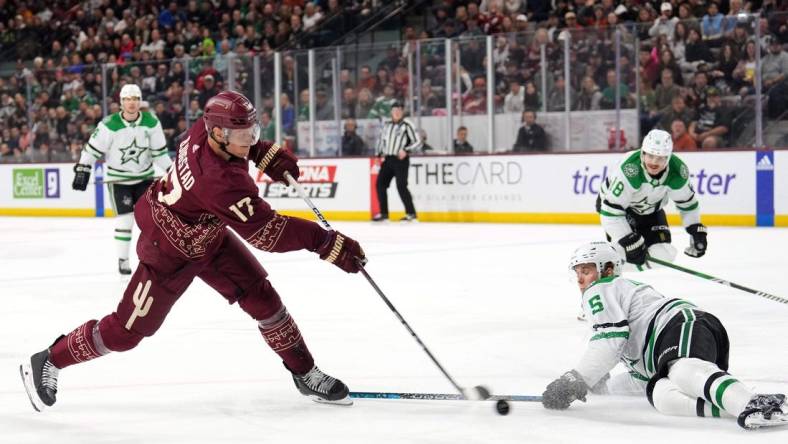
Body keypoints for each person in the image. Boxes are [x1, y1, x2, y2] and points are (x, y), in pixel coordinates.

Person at [20, 91, 366, 411]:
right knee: (126, 332)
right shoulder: (221, 183)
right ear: (219, 134)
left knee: (263, 298)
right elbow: (267, 234)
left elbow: (241, 144)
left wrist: (262, 152)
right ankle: (50, 358)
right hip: (168, 249)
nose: (251, 135)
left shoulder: (207, 127)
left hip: (206, 233)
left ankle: (305, 373)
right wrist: (327, 243)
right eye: (244, 132)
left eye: (252, 128)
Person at [542, 241, 788, 430]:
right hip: (668, 348)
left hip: (682, 325)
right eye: (577, 273)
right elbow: (639, 377)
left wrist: (575, 380)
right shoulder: (609, 297)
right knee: (661, 395)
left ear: (607, 270)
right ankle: (747, 408)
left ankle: (749, 403)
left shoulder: (604, 287)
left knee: (681, 370)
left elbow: (608, 343)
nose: (580, 280)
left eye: (586, 271)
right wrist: (601, 387)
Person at [71, 83, 173, 275]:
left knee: (152, 221)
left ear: (140, 101)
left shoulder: (151, 122)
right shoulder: (109, 124)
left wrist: (171, 170)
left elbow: (159, 153)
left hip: (145, 178)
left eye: (135, 99)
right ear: (121, 102)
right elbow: (92, 148)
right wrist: (83, 168)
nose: (131, 103)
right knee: (125, 221)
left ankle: (155, 259)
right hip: (119, 182)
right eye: (127, 99)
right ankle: (123, 260)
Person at [596, 129, 706, 267]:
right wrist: (627, 239)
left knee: (663, 256)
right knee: (625, 253)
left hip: (651, 210)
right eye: (650, 155)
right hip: (619, 209)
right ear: (643, 153)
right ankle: (611, 272)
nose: (654, 162)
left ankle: (636, 274)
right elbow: (610, 212)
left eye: (660, 158)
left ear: (668, 158)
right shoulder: (629, 170)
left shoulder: (677, 172)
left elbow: (687, 204)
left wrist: (694, 228)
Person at [373, 102, 421, 222]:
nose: (397, 112)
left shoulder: (407, 124)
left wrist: (406, 150)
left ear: (402, 111)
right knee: (380, 184)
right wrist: (377, 155)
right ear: (391, 112)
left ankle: (411, 213)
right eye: (395, 110)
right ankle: (384, 214)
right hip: (388, 159)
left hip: (401, 160)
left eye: (399, 110)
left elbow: (418, 141)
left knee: (401, 186)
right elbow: (381, 140)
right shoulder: (387, 125)